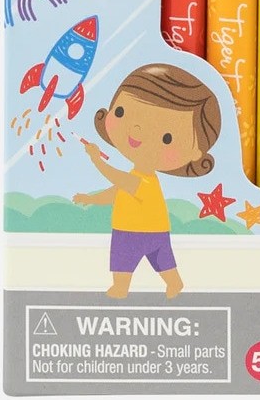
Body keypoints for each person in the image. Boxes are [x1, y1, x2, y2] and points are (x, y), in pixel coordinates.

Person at [73, 63, 220, 299]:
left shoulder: (144, 182)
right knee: (158, 262)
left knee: (129, 261)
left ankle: (140, 286)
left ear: (195, 153)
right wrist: (90, 199)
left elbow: (118, 179)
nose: (137, 132)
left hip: (136, 230)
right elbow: (115, 192)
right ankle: (166, 284)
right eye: (121, 112)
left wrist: (95, 159)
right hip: (144, 229)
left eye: (167, 138)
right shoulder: (137, 177)